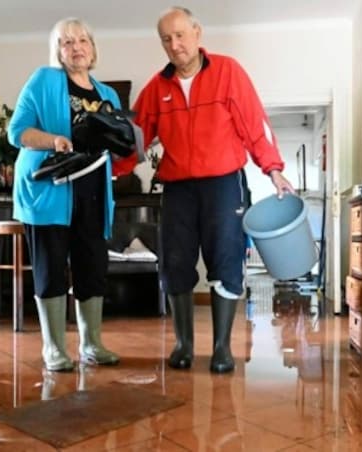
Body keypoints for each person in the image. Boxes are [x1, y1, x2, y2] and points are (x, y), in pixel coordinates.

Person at [123, 7, 295, 373]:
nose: (175, 44)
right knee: (176, 262)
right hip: (178, 189)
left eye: (181, 35)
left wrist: (274, 169)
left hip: (223, 184)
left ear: (197, 33)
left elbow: (255, 125)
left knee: (226, 258)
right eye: (167, 39)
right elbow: (132, 140)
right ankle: (184, 344)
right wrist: (108, 171)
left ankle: (221, 347)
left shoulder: (228, 72)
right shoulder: (156, 88)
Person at [7, 17, 127, 372]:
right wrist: (53, 141)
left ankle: (92, 344)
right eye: (67, 42)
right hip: (49, 191)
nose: (76, 48)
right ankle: (54, 348)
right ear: (58, 51)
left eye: (82, 41)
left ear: (93, 48)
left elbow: (114, 142)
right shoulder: (44, 81)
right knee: (51, 267)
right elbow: (17, 132)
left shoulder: (108, 94)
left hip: (92, 191)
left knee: (92, 264)